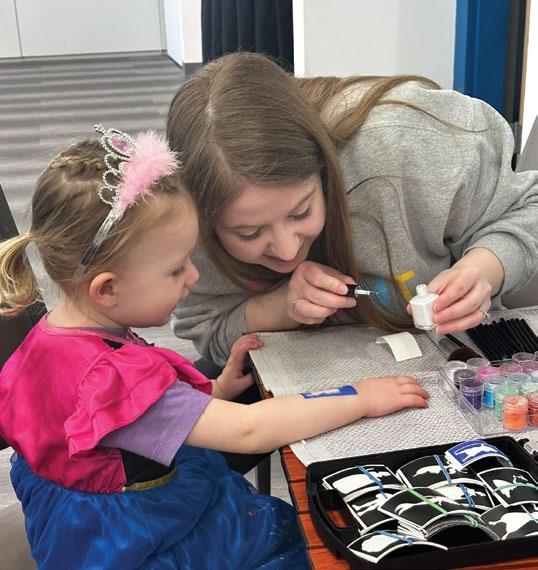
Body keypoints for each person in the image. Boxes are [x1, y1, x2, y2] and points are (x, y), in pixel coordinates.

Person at [0, 125, 429, 569]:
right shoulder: (113, 381)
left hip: (72, 519)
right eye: (176, 269)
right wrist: (360, 397)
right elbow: (249, 430)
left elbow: (133, 426)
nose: (194, 276)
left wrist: (217, 389)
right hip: (139, 541)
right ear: (107, 289)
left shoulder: (48, 337)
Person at [166, 52, 538, 368]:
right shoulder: (184, 211)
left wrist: (484, 269)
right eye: (249, 233)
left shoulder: (408, 144)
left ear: (324, 165)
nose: (287, 249)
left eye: (301, 212)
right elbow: (209, 332)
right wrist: (281, 306)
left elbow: (528, 208)